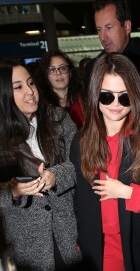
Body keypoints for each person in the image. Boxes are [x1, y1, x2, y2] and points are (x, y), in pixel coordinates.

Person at [70, 53, 140, 271]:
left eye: (124, 97)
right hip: (97, 249)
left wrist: (129, 193)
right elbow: (78, 200)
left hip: (139, 249)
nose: (115, 104)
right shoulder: (82, 141)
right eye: (106, 96)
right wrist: (81, 240)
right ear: (95, 95)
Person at [0, 59, 81, 270]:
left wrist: (56, 175)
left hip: (69, 231)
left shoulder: (58, 118)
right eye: (18, 87)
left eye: (30, 83)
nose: (29, 91)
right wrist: (13, 190)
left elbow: (82, 163)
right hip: (26, 242)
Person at [83, 0, 140, 104]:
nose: (103, 37)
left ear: (127, 27)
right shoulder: (92, 69)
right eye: (99, 29)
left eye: (109, 28)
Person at [39, 49, 85, 129]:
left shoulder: (84, 99)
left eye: (63, 68)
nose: (58, 73)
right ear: (46, 76)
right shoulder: (43, 107)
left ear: (70, 73)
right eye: (52, 70)